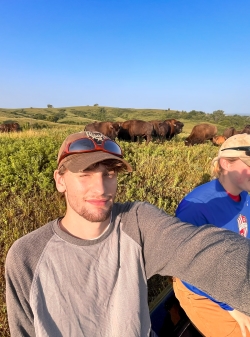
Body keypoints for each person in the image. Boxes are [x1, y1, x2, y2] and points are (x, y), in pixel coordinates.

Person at [5, 131, 250, 337]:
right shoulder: (27, 255)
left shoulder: (137, 223)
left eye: (109, 174)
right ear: (60, 180)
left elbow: (210, 253)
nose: (100, 188)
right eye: (85, 174)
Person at [173, 133, 250, 337]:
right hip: (201, 288)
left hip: (234, 275)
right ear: (225, 164)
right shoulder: (197, 207)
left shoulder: (244, 195)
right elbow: (187, 268)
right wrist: (231, 307)